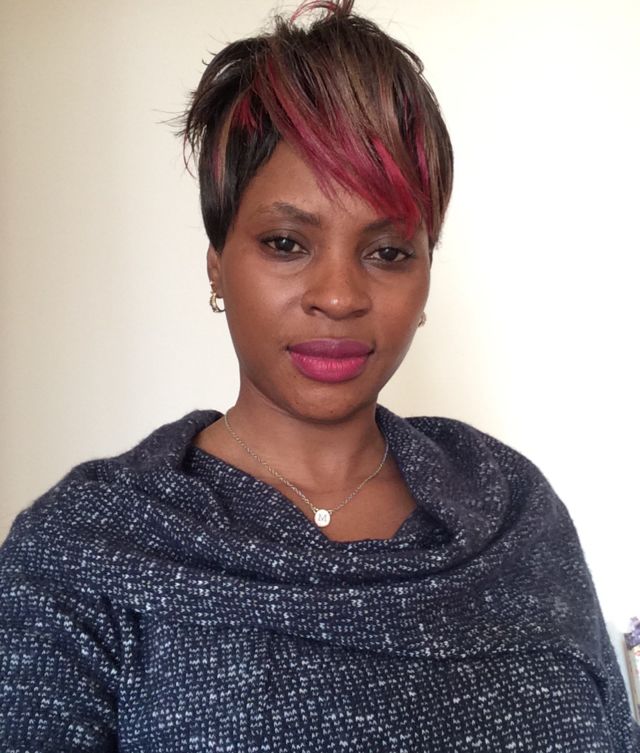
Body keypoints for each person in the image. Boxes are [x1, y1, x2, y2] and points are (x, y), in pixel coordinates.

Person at [0, 1, 638, 750]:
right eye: (286, 242)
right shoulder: (85, 546)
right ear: (217, 265)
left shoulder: (511, 508)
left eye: (388, 252)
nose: (338, 296)